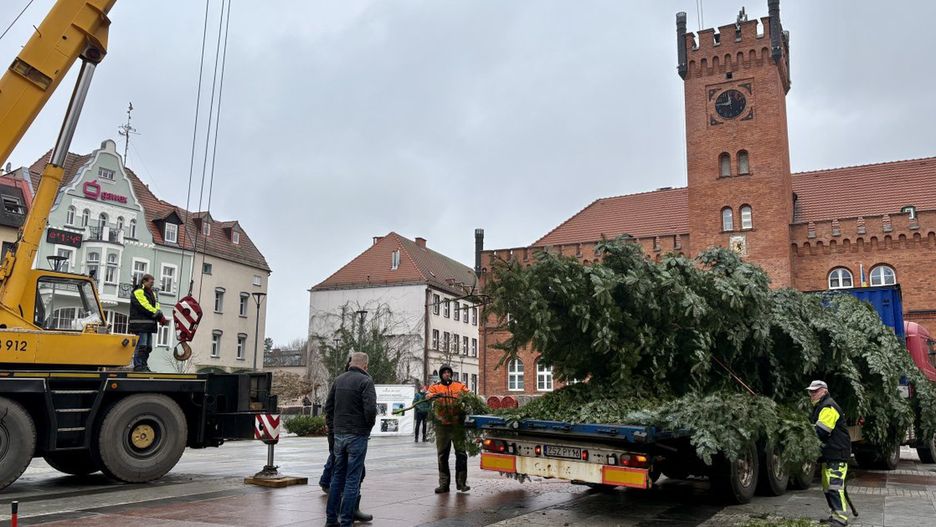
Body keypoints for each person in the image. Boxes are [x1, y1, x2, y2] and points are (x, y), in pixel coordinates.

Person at [325, 352, 377, 527]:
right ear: (365, 366)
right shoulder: (366, 381)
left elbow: (328, 407)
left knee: (337, 477)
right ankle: (346, 520)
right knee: (352, 479)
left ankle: (331, 519)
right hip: (357, 435)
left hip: (339, 434)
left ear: (350, 363)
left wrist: (333, 430)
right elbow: (370, 411)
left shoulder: (338, 380)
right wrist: (367, 429)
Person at [807, 380, 852, 527]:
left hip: (837, 454)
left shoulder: (828, 407)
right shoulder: (821, 406)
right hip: (830, 454)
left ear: (824, 391)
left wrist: (805, 432)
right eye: (811, 391)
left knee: (834, 487)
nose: (812, 394)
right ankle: (834, 515)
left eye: (815, 391)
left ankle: (840, 519)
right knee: (828, 487)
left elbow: (821, 432)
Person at [427, 364, 470, 493]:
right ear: (441, 375)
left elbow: (468, 395)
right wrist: (433, 396)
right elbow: (428, 395)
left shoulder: (459, 386)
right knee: (442, 455)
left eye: (448, 372)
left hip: (457, 425)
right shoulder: (435, 387)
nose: (447, 374)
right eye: (444, 373)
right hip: (442, 426)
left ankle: (461, 483)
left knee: (461, 454)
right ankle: (444, 484)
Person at [128, 274, 166, 372]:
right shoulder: (138, 291)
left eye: (153, 282)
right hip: (140, 324)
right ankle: (138, 366)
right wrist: (157, 314)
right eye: (151, 282)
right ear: (144, 281)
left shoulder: (152, 293)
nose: (152, 284)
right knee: (142, 346)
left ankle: (143, 365)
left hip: (148, 324)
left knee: (148, 347)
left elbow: (156, 305)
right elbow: (144, 305)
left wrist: (159, 314)